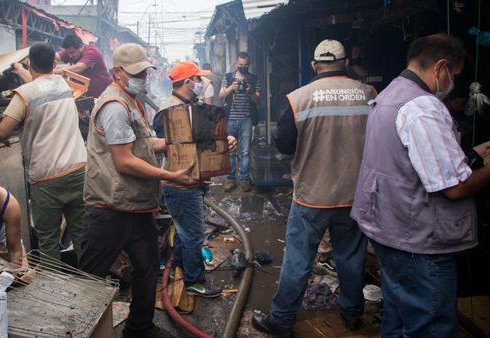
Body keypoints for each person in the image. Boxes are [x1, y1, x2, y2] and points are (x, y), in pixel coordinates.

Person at [351, 34, 490, 337]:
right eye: (453, 76)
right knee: (430, 327)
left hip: (390, 231)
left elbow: (404, 163)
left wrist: (471, 155)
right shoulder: (423, 107)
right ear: (440, 68)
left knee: (399, 319)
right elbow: (453, 187)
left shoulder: (390, 94)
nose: (453, 83)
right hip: (419, 243)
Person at [252, 39, 377, 337]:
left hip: (312, 197)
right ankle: (351, 316)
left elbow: (283, 144)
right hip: (353, 195)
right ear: (346, 63)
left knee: (297, 262)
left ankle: (282, 321)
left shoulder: (299, 98)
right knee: (350, 259)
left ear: (314, 66)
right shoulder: (369, 94)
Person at [78, 43, 196, 338]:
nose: (142, 76)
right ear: (117, 73)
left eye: (144, 71)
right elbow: (125, 160)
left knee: (147, 270)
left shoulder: (131, 100)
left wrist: (171, 144)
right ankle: (79, 330)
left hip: (136, 206)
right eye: (136, 72)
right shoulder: (115, 106)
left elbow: (140, 145)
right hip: (109, 209)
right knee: (91, 277)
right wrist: (170, 175)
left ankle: (139, 327)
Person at [0, 42, 87, 263]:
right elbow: (40, 85)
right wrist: (20, 69)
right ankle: (94, 283)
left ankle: (53, 291)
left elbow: (3, 132)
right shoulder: (63, 84)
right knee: (82, 234)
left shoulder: (25, 94)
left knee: (48, 239)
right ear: (54, 64)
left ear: (29, 62)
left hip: (47, 178)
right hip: (78, 171)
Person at [153, 61, 237, 298]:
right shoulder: (169, 111)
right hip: (181, 184)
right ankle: (194, 281)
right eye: (198, 79)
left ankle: (179, 263)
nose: (202, 83)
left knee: (183, 230)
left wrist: (226, 139)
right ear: (187, 81)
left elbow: (203, 139)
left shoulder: (191, 106)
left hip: (193, 181)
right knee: (193, 234)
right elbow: (167, 140)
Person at [219, 52, 261, 192]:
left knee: (245, 151)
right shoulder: (228, 77)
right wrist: (232, 88)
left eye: (245, 65)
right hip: (230, 118)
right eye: (240, 64)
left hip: (246, 119)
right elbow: (221, 95)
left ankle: (244, 179)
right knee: (230, 150)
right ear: (236, 64)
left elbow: (258, 100)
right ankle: (231, 179)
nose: (243, 67)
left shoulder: (254, 79)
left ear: (249, 64)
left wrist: (251, 91)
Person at [53, 34, 112, 99]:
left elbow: (79, 68)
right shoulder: (71, 50)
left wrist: (55, 71)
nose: (70, 55)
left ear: (80, 46)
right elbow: (55, 56)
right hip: (86, 93)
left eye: (72, 52)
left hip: (103, 93)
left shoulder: (92, 51)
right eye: (68, 53)